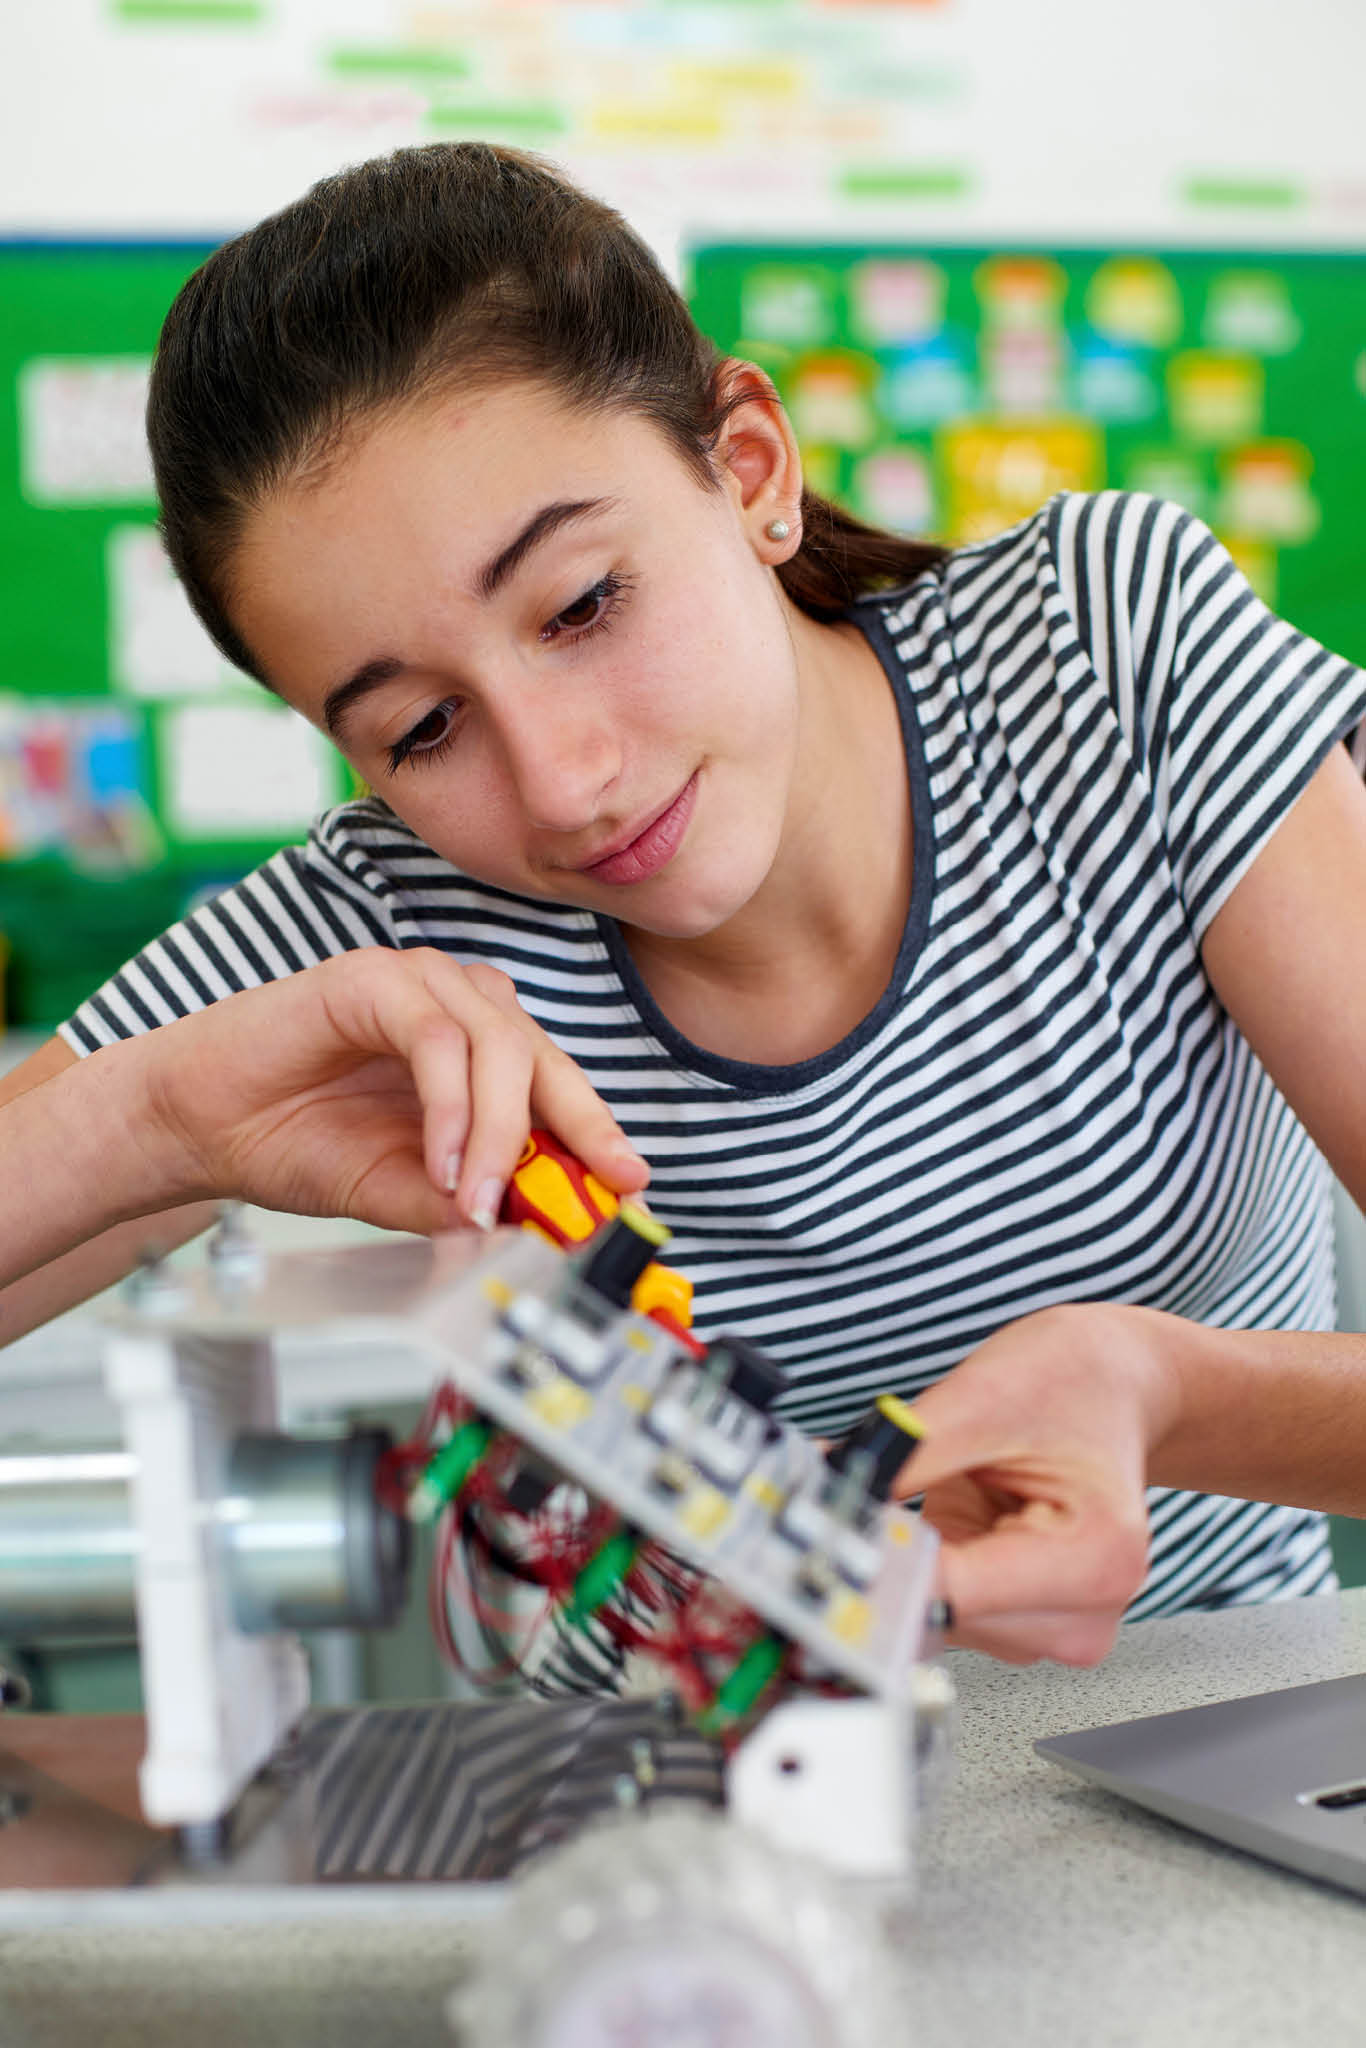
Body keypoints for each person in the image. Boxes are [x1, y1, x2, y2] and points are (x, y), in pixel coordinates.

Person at [4, 141, 1366, 1685]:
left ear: (749, 470)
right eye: (420, 732)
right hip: (689, 1837)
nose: (565, 781)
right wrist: (150, 1124)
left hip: (1216, 1735)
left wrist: (1170, 1396)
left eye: (584, 604)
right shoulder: (387, 934)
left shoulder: (1105, 650)